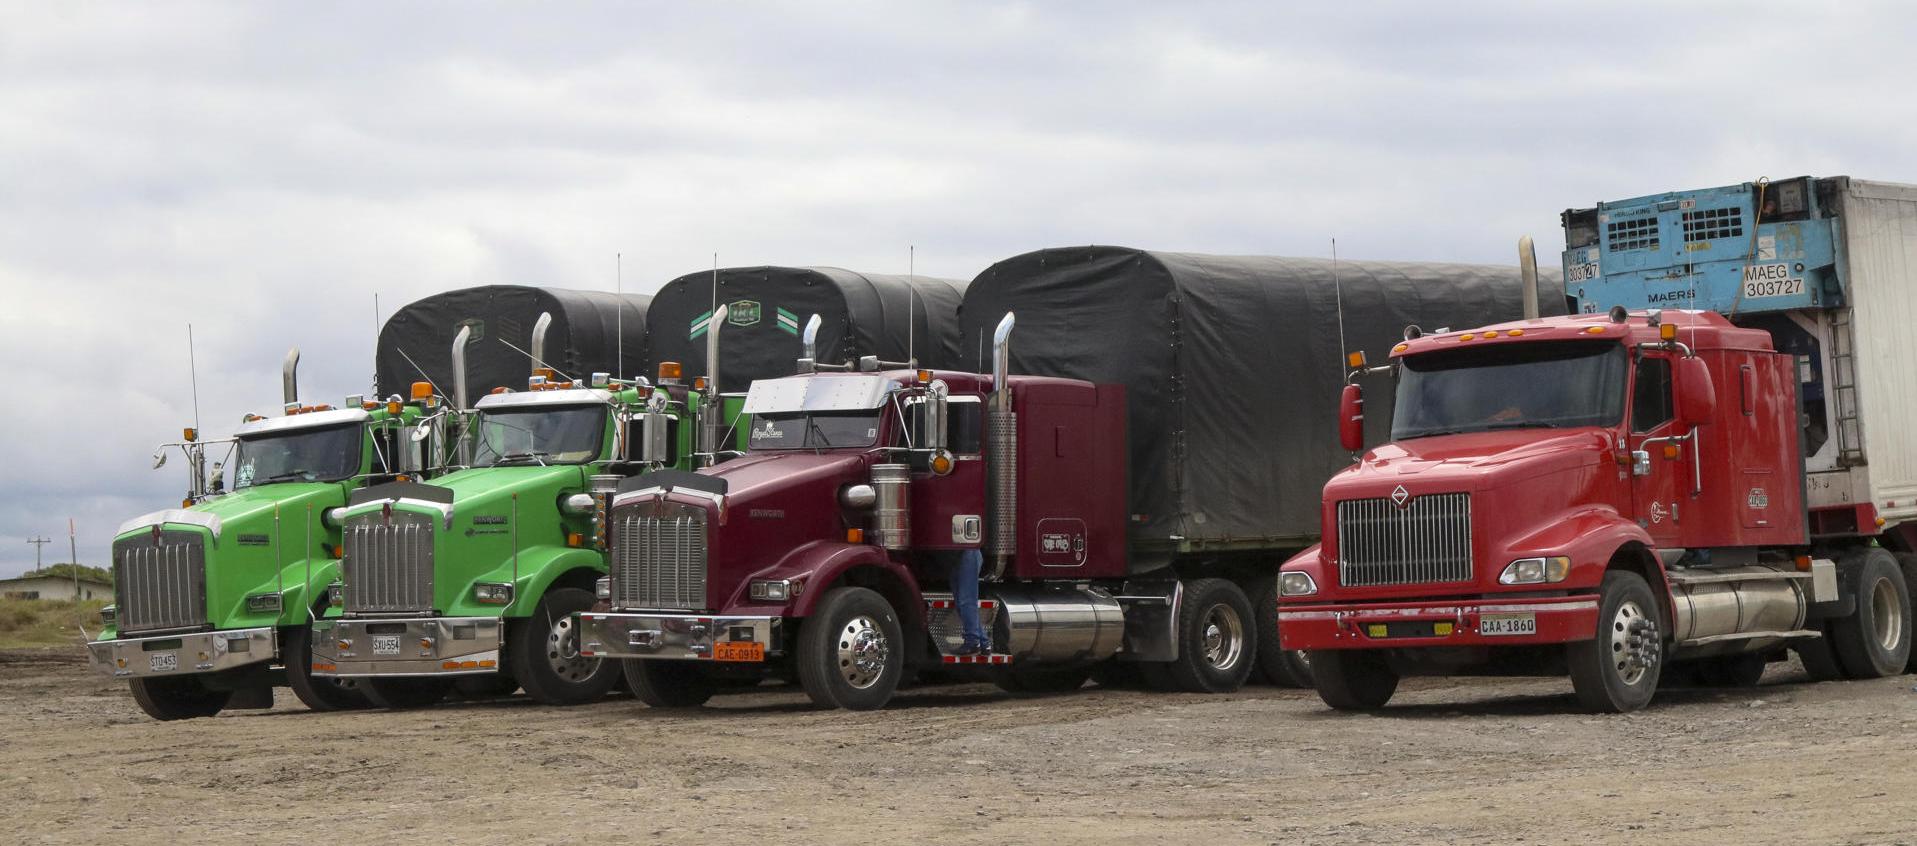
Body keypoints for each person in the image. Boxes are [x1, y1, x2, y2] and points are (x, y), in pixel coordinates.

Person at [951, 547, 989, 655]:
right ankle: (984, 643)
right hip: (959, 555)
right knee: (961, 602)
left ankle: (972, 642)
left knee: (966, 600)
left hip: (968, 552)